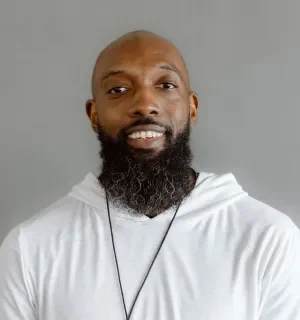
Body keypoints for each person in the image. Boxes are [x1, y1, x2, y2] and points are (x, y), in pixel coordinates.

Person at [0, 30, 299, 320]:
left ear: (191, 108)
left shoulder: (267, 239)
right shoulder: (31, 247)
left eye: (166, 85)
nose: (144, 104)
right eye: (118, 90)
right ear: (94, 115)